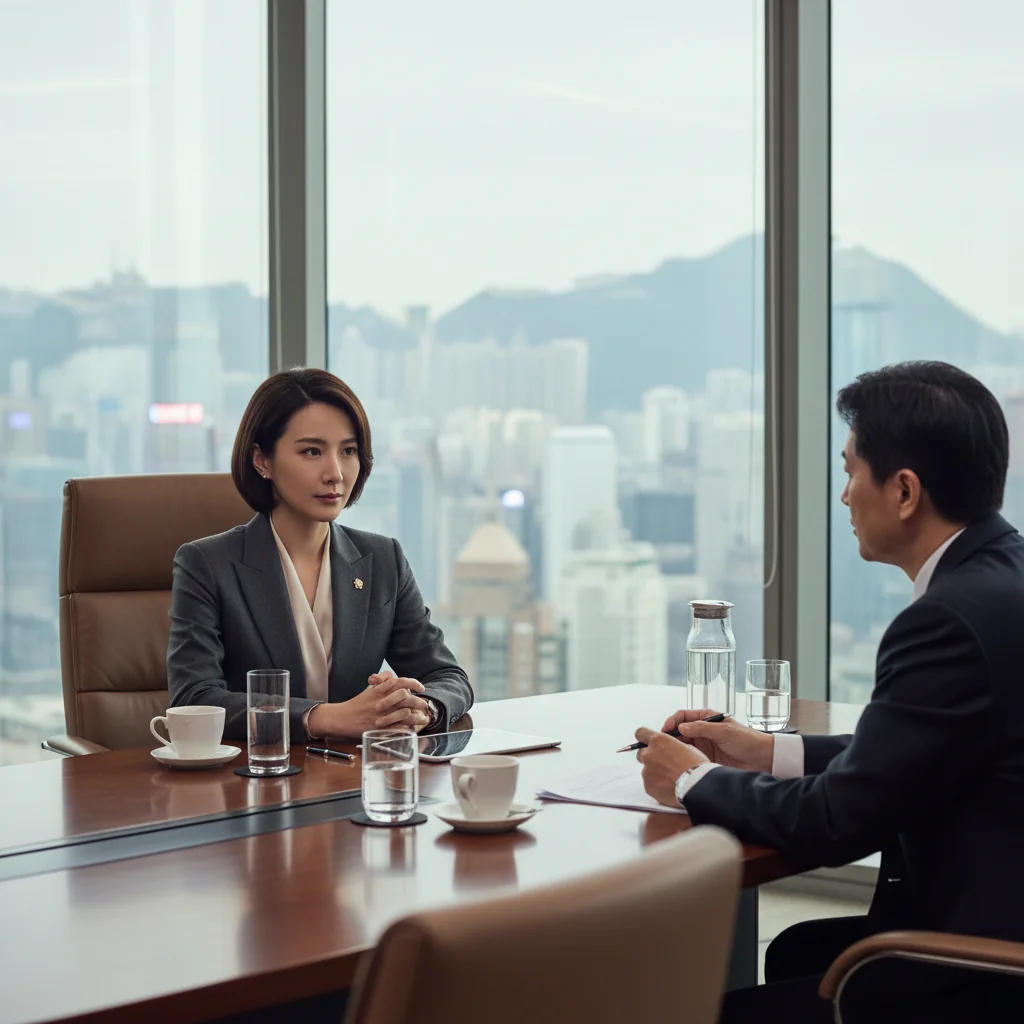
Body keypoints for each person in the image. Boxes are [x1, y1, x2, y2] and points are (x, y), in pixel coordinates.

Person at [636, 362, 1024, 1022]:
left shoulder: (945, 622)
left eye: (850, 472)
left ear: (904, 491)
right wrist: (765, 752)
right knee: (796, 952)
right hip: (992, 922)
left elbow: (840, 819)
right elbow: (915, 747)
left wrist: (692, 781)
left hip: (977, 976)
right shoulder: (1003, 576)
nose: (844, 497)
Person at [168, 367, 473, 744]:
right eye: (312, 451)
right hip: (254, 782)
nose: (335, 473)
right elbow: (195, 700)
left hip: (355, 780)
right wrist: (327, 718)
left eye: (348, 451)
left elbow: (449, 678)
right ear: (262, 461)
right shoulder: (207, 565)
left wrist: (423, 709)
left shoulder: (382, 559)